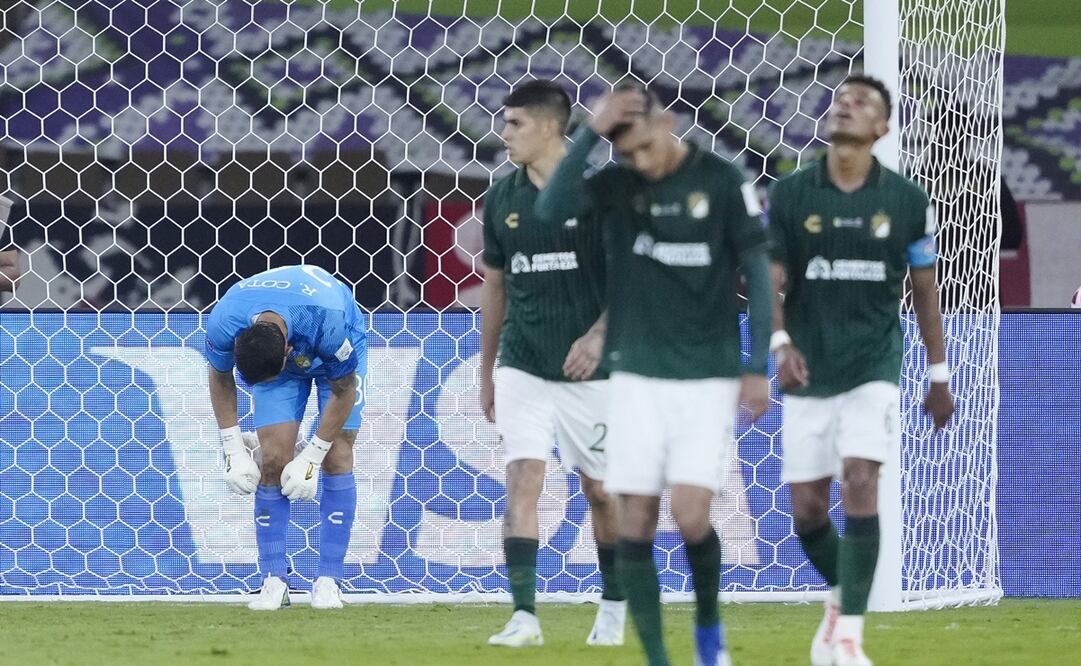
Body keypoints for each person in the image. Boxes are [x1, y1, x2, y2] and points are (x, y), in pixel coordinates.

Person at [535, 82, 773, 666]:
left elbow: (760, 274)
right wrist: (592, 130)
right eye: (626, 153)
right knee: (635, 517)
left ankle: (709, 632)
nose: (638, 162)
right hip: (635, 377)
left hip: (706, 376)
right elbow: (550, 208)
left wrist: (756, 364)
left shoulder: (721, 181)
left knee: (691, 515)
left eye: (642, 147)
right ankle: (659, 657)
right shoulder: (617, 185)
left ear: (665, 121)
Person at [767, 74, 956, 666]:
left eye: (862, 104)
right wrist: (777, 343)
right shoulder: (793, 194)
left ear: (882, 129)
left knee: (861, 479)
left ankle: (849, 635)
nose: (845, 106)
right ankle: (840, 596)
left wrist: (940, 374)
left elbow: (924, 290)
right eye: (840, 99)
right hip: (807, 366)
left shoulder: (906, 201)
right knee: (807, 511)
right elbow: (769, 276)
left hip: (874, 362)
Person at [480, 79, 626, 648]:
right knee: (522, 477)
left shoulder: (599, 193)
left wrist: (597, 334)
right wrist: (488, 369)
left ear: (547, 127)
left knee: (602, 491)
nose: (504, 133)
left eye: (514, 123)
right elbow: (496, 287)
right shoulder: (502, 198)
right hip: (524, 361)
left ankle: (613, 607)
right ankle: (524, 616)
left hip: (593, 368)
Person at [205, 264, 367, 611]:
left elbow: (344, 389)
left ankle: (328, 581)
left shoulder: (328, 322)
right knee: (273, 459)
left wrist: (312, 456)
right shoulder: (224, 321)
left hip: (334, 346)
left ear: (288, 351)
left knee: (338, 454)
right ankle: (274, 580)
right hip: (278, 353)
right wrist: (232, 449)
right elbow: (220, 378)